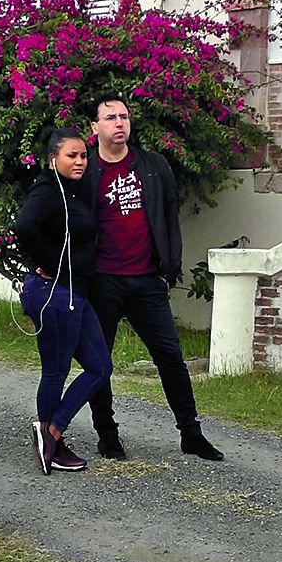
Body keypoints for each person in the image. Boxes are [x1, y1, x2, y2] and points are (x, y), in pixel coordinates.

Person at [82, 94, 222, 462]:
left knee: (170, 357)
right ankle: (107, 434)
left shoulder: (152, 166)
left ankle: (191, 433)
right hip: (103, 280)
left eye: (124, 116)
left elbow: (169, 219)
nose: (119, 123)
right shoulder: (86, 170)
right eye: (110, 117)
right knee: (101, 362)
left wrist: (169, 269)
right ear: (95, 127)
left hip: (147, 279)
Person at [13, 125, 109, 474]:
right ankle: (51, 438)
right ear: (53, 159)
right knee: (56, 370)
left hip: (76, 294)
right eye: (72, 155)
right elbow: (24, 227)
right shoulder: (48, 190)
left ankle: (51, 430)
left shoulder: (72, 191)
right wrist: (50, 264)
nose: (80, 161)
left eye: (84, 155)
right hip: (55, 293)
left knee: (100, 366)